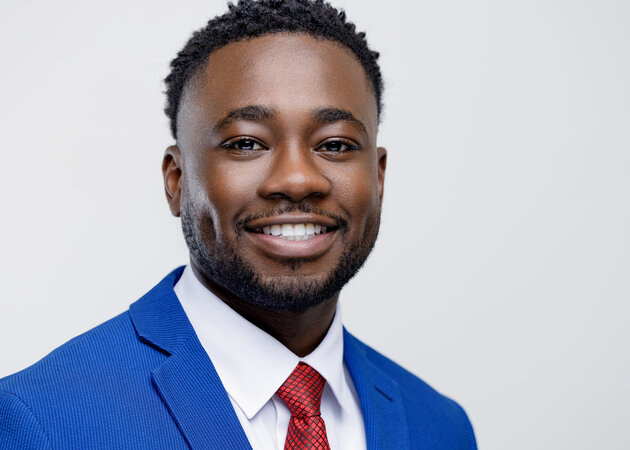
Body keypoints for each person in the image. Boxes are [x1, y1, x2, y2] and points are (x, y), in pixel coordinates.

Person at [0, 0, 477, 448]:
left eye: (335, 145)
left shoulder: (439, 426)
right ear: (176, 180)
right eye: (246, 144)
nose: (297, 180)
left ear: (378, 177)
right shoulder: (42, 419)